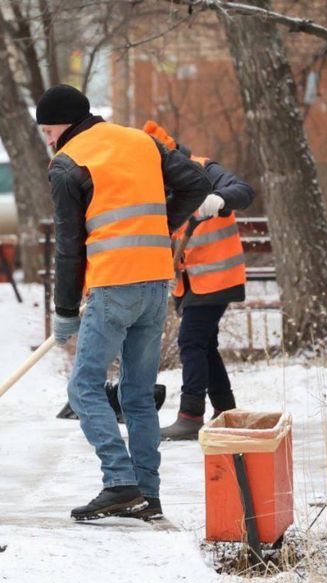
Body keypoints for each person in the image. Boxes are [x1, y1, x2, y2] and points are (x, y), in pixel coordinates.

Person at [38, 84, 217, 522]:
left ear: (63, 125)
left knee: (83, 388)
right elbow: (197, 183)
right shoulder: (143, 141)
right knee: (136, 394)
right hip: (155, 283)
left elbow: (68, 248)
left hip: (113, 285)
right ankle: (147, 494)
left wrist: (64, 311)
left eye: (48, 130)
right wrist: (162, 225)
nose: (47, 139)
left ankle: (120, 483)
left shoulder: (67, 164)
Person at [142, 121, 255, 441]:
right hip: (188, 282)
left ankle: (191, 415)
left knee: (191, 341)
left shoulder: (204, 170)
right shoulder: (155, 183)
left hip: (217, 276)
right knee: (205, 345)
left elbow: (244, 191)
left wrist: (219, 198)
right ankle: (226, 410)